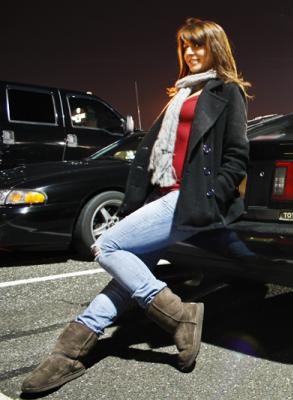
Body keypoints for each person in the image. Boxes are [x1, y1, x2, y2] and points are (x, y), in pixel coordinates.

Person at [21, 18, 251, 394]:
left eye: (198, 45)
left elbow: (237, 156)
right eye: (185, 47)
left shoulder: (228, 92)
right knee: (127, 278)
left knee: (107, 246)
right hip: (160, 196)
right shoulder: (179, 94)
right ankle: (67, 355)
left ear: (215, 47)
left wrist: (210, 196)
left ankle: (180, 317)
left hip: (189, 199)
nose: (190, 53)